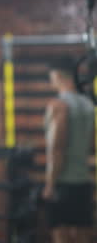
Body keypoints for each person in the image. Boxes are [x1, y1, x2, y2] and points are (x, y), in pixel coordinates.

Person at [43, 58, 95, 243]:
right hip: (83, 181)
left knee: (61, 235)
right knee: (83, 235)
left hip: (63, 182)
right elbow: (91, 146)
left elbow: (56, 149)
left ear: (56, 76)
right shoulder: (89, 107)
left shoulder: (58, 106)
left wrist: (50, 184)